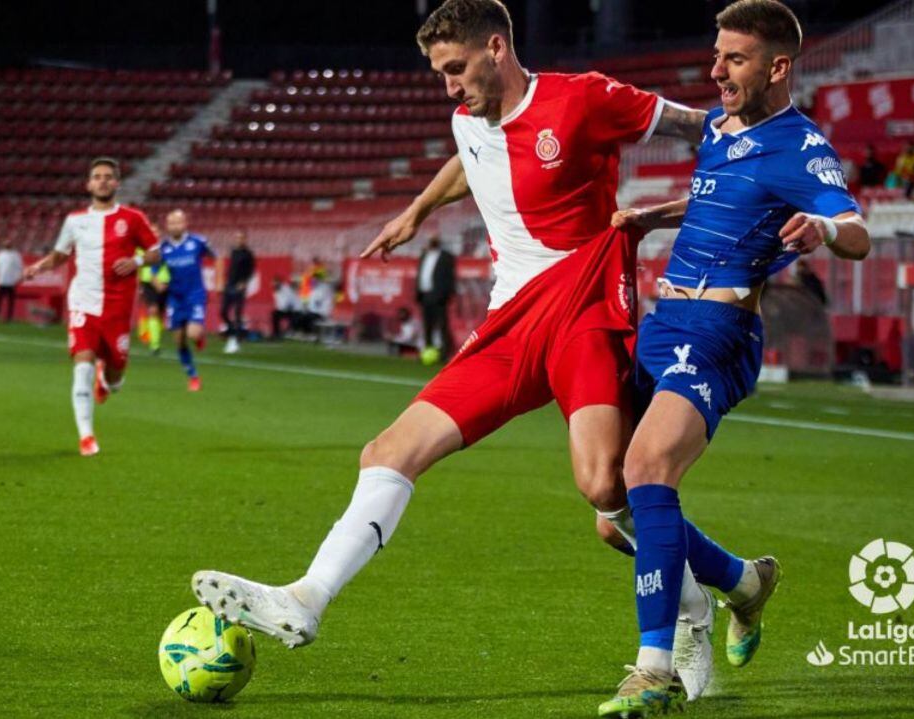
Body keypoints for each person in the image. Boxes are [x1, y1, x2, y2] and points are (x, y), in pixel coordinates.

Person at [191, 0, 745, 703]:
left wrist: (754, 156)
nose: (449, 85)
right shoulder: (468, 119)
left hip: (585, 315)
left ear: (496, 48)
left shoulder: (584, 99)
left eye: (455, 68)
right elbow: (470, 159)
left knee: (607, 492)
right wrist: (417, 210)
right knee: (388, 451)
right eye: (440, 73)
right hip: (509, 326)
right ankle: (306, 598)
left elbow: (699, 127)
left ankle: (708, 601)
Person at [605, 2, 870, 713]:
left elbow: (856, 231)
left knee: (646, 469)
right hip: (663, 323)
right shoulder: (719, 130)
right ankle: (746, 583)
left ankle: (654, 669)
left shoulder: (801, 145)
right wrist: (651, 217)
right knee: (613, 515)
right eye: (717, 55)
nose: (717, 71)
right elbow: (713, 200)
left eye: (735, 59)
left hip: (718, 332)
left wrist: (822, 228)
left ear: (778, 67)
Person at [23, 157, 159, 456]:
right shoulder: (74, 220)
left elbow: (156, 251)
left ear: (117, 183)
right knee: (82, 364)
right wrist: (39, 266)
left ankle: (106, 380)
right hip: (83, 302)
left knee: (116, 376)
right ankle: (86, 436)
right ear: (88, 184)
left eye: (108, 177)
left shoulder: (133, 218)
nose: (102, 181)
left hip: (118, 307)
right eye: (97, 176)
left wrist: (136, 260)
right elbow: (60, 254)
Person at [160, 209, 214, 391]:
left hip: (195, 295)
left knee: (192, 333)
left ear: (185, 224)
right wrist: (157, 281)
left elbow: (216, 257)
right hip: (175, 298)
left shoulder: (198, 242)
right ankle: (193, 376)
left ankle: (199, 335)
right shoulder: (163, 248)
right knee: (179, 341)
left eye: (178, 222)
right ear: (167, 226)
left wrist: (219, 281)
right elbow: (154, 269)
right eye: (171, 223)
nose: (175, 226)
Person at [416, 235, 456, 360]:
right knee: (427, 325)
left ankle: (444, 353)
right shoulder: (424, 255)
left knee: (442, 324)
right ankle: (428, 351)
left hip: (439, 295)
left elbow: (450, 277)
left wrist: (446, 294)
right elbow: (421, 274)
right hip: (425, 294)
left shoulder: (446, 257)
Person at [221, 229, 255, 354]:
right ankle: (232, 332)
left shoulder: (248, 254)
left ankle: (235, 340)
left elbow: (251, 271)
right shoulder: (233, 252)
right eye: (237, 238)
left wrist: (244, 282)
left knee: (237, 314)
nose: (238, 240)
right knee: (223, 312)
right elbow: (231, 269)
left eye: (241, 238)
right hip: (229, 285)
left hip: (239, 287)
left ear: (245, 239)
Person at [137, 244, 171, 355]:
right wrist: (139, 282)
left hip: (164, 281)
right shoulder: (140, 247)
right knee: (153, 310)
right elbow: (138, 264)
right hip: (148, 282)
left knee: (160, 314)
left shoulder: (165, 246)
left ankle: (147, 329)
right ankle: (155, 345)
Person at [0, 239, 24, 322]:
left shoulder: (15, 255)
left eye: (8, 244)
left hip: (11, 281)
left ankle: (9, 317)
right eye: (6, 244)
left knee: (10, 300)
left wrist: (17, 278)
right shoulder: (0, 254)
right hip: (1, 280)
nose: (7, 245)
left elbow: (19, 267)